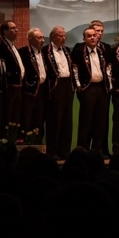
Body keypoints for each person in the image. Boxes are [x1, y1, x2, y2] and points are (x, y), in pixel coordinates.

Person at [71, 27, 108, 153]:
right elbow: (75, 69)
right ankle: (83, 150)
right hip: (87, 88)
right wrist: (79, 86)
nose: (92, 38)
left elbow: (107, 69)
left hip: (101, 88)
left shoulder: (102, 51)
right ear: (84, 39)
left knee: (100, 121)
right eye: (89, 36)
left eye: (94, 35)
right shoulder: (79, 52)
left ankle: (97, 150)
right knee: (86, 120)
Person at [43, 26, 75, 160]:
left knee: (67, 120)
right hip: (55, 87)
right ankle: (52, 151)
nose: (63, 38)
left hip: (67, 85)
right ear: (53, 37)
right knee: (55, 120)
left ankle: (65, 151)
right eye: (60, 36)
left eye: (64, 36)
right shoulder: (46, 51)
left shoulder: (66, 50)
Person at [18, 28, 49, 134]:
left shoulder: (43, 53)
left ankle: (37, 141)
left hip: (41, 91)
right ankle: (25, 141)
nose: (42, 40)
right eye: (39, 38)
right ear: (30, 40)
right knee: (27, 119)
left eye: (43, 38)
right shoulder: (23, 52)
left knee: (39, 120)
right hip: (29, 92)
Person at [0, 20, 24, 127]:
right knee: (8, 116)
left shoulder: (12, 46)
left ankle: (13, 135)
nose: (16, 30)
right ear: (5, 31)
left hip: (18, 87)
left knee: (15, 117)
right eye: (13, 28)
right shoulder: (2, 47)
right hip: (9, 87)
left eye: (16, 28)